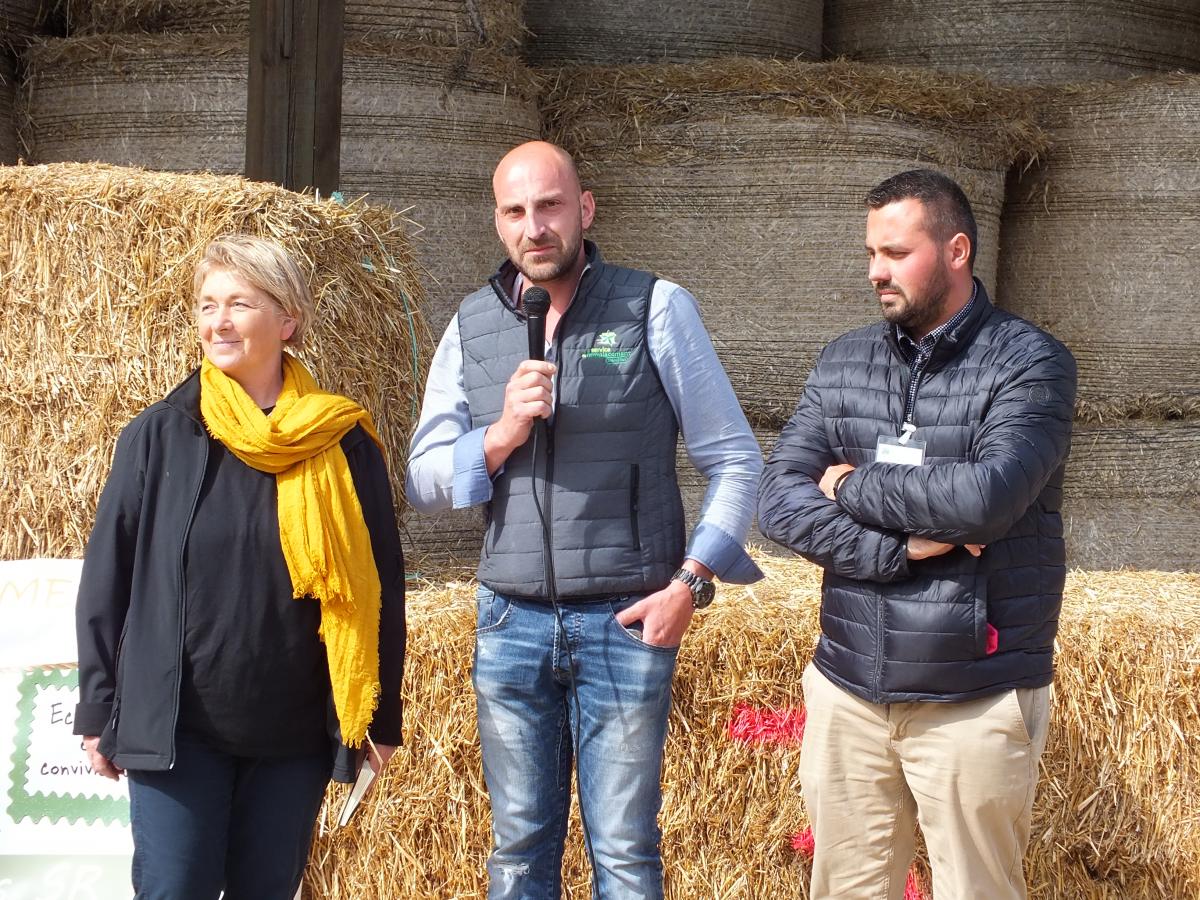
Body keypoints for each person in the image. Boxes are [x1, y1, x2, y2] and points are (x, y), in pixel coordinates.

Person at [406, 140, 763, 898]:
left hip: (625, 621)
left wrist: (691, 584)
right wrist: (500, 433)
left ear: (585, 209)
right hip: (510, 623)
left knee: (627, 855)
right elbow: (425, 480)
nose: (535, 227)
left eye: (550, 206)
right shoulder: (470, 325)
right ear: (497, 223)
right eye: (516, 211)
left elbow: (735, 458)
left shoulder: (654, 307)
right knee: (516, 855)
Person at [757, 169, 1077, 900]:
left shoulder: (1030, 362)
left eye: (896, 253)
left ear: (957, 249)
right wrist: (896, 549)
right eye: (871, 253)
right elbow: (776, 502)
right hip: (848, 693)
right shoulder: (845, 361)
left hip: (972, 697)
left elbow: (987, 499)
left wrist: (846, 484)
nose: (877, 271)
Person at [74, 235, 406, 900]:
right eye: (206, 305)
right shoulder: (160, 434)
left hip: (292, 736)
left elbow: (381, 589)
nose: (218, 322)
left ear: (287, 321)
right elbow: (106, 579)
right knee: (175, 890)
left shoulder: (341, 441)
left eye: (239, 304)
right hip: (179, 731)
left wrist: (381, 716)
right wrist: (96, 706)